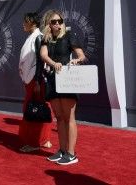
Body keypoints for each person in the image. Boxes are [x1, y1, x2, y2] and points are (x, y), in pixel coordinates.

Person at [40, 10, 86, 165]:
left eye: (59, 21)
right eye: (54, 22)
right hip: (53, 80)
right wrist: (53, 64)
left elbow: (81, 55)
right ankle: (62, 150)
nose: (57, 24)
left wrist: (77, 61)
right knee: (59, 118)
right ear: (49, 24)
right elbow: (43, 55)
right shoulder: (46, 39)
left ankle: (71, 154)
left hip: (67, 80)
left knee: (69, 117)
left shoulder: (69, 37)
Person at [18, 13, 52, 152]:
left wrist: (37, 81)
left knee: (34, 110)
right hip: (32, 79)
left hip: (36, 80)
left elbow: (40, 61)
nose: (23, 24)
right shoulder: (33, 37)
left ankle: (34, 143)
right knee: (39, 108)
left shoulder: (38, 37)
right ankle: (44, 139)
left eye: (25, 21)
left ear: (33, 23)